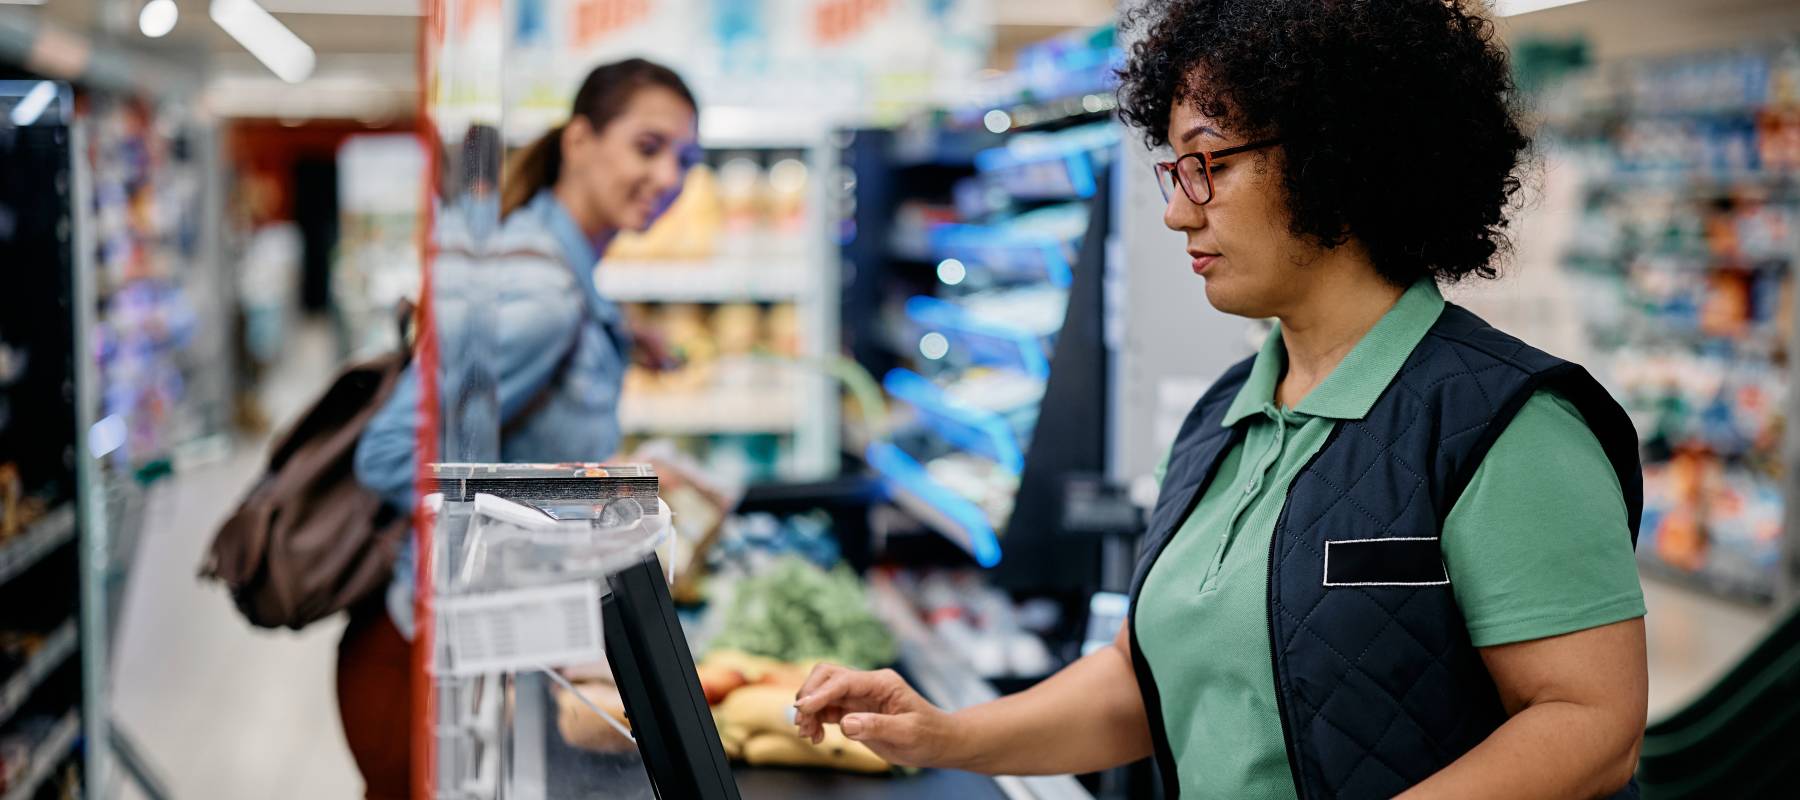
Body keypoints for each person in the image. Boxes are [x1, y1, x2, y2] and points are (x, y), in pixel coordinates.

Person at [794, 2, 1650, 798]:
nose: (1175, 212)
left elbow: (1590, 723)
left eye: (1207, 164)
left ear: (1337, 159)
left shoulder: (1506, 423)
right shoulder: (1223, 418)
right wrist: (946, 735)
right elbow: (1144, 676)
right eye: (1175, 169)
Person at [336, 58, 700, 800]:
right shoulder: (545, 293)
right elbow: (386, 455)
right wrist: (604, 494)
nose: (668, 177)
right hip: (429, 669)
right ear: (579, 140)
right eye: (648, 146)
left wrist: (622, 343)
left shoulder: (558, 265)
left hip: (479, 653)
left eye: (686, 160)